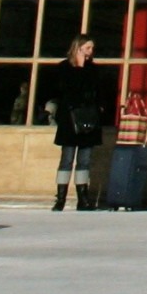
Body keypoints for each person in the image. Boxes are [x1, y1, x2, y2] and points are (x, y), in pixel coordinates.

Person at [39, 34, 110, 212]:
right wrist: (78, 67)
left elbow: (98, 90)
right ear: (78, 48)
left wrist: (100, 108)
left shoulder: (93, 69)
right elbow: (65, 88)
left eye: (92, 48)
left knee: (84, 160)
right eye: (87, 48)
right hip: (70, 118)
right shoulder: (64, 67)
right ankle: (60, 198)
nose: (90, 52)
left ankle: (83, 199)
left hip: (89, 118)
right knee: (67, 159)